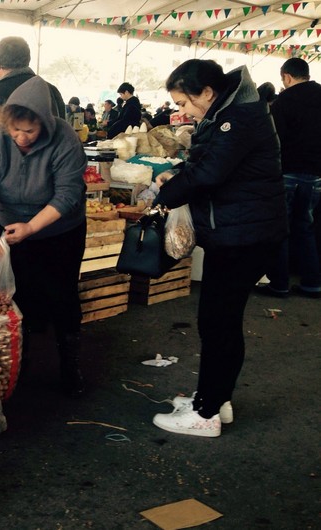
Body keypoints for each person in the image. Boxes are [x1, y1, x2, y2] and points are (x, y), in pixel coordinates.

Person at [151, 59, 287, 437]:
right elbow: (212, 165)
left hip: (244, 237)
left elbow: (210, 172)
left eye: (184, 103)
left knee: (218, 323)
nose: (183, 111)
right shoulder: (234, 111)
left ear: (207, 93)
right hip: (241, 232)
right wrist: (180, 176)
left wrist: (167, 192)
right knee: (221, 322)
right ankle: (216, 399)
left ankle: (205, 413)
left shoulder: (237, 118)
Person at [0, 75, 87, 397]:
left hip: (60, 228)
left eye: (29, 131)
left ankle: (71, 366)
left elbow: (68, 194)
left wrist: (32, 227)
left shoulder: (65, 138)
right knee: (21, 296)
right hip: (9, 227)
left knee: (63, 296)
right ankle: (22, 365)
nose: (20, 136)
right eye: (15, 129)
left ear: (44, 123)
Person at [256, 58, 321, 298]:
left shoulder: (282, 102)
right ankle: (312, 283)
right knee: (305, 228)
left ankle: (280, 284)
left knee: (280, 229)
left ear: (286, 76)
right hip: (316, 176)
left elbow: (273, 140)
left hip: (288, 173)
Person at [0, 36, 65, 140]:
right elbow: (64, 134)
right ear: (28, 60)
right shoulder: (51, 90)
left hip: (9, 156)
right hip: (51, 156)